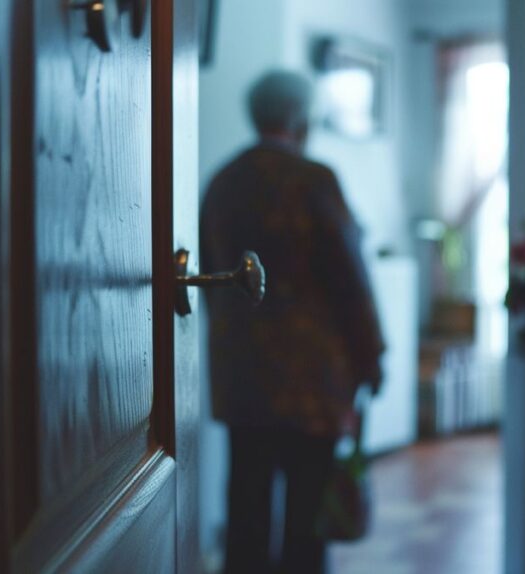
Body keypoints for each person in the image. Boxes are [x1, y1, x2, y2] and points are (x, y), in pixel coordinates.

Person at [201, 70, 385, 574]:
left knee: (246, 511)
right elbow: (351, 281)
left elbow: (208, 279)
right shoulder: (314, 180)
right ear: (299, 119)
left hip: (241, 374)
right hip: (310, 378)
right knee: (306, 520)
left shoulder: (221, 182)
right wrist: (372, 358)